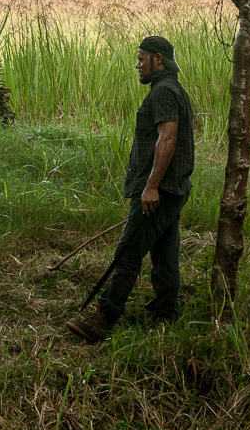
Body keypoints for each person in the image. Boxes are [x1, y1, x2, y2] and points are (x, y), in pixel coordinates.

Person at [66, 35, 195, 343]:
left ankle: (104, 317)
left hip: (159, 192)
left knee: (128, 253)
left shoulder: (163, 92)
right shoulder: (172, 89)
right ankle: (164, 313)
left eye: (142, 59)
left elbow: (168, 139)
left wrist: (151, 186)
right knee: (165, 254)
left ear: (158, 60)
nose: (138, 65)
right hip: (173, 189)